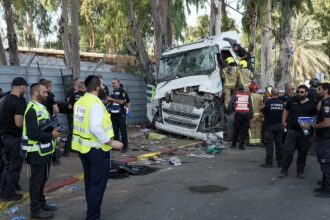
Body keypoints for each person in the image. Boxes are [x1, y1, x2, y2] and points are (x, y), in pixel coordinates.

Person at [72, 75, 123, 220]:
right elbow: (95, 127)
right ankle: (93, 217)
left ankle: (91, 211)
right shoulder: (95, 104)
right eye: (102, 85)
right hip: (96, 150)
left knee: (90, 183)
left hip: (83, 150)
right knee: (97, 185)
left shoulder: (81, 101)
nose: (104, 87)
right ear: (95, 87)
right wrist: (111, 143)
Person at [22, 83, 61, 219]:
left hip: (44, 150)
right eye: (44, 92)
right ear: (36, 93)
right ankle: (35, 210)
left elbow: (43, 127)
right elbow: (32, 134)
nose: (47, 94)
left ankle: (42, 203)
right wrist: (51, 135)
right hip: (35, 152)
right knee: (36, 181)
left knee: (42, 179)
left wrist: (53, 129)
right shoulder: (31, 109)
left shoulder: (41, 107)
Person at [279, 85, 317, 178]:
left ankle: (300, 171)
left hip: (305, 132)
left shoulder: (312, 103)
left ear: (306, 93)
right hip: (292, 130)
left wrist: (311, 126)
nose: (299, 93)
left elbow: (315, 116)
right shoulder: (292, 100)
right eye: (298, 92)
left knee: (303, 152)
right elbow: (286, 110)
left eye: (302, 92)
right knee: (288, 151)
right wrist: (283, 121)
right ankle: (284, 170)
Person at [0, 77, 27, 201]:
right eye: (24, 87)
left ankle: (3, 190)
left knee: (8, 166)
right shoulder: (18, 102)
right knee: (14, 167)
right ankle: (9, 194)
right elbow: (18, 123)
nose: (25, 89)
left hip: (4, 137)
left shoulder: (3, 99)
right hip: (14, 138)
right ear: (21, 86)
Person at [311, 83, 330, 197]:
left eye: (320, 89)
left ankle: (328, 190)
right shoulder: (323, 103)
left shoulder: (327, 104)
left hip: (326, 138)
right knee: (325, 162)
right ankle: (325, 185)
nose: (318, 91)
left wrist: (314, 126)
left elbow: (327, 122)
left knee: (325, 162)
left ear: (326, 90)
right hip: (323, 137)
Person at [260, 88, 284, 168]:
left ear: (271, 94)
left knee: (269, 146)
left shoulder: (268, 103)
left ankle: (269, 163)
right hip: (280, 126)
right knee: (279, 145)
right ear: (278, 94)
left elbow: (262, 111)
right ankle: (280, 163)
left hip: (269, 126)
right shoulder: (282, 103)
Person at [63, 82, 86, 156]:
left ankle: (66, 152)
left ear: (78, 87)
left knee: (72, 133)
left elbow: (69, 106)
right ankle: (81, 151)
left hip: (74, 116)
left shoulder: (73, 94)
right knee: (82, 133)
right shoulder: (86, 96)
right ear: (83, 88)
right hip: (83, 117)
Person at [108, 78, 130, 153]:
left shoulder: (122, 92)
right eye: (112, 83)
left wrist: (111, 99)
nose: (113, 84)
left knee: (123, 131)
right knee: (115, 131)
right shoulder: (113, 92)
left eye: (114, 83)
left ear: (118, 83)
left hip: (120, 115)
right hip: (113, 115)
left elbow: (122, 101)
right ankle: (116, 146)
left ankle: (125, 146)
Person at [228, 85, 254, 150]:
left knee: (236, 129)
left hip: (238, 114)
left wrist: (232, 112)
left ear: (238, 89)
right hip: (246, 115)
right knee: (244, 131)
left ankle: (233, 144)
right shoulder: (248, 96)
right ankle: (241, 146)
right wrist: (251, 115)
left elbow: (230, 104)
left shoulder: (235, 95)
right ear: (243, 89)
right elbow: (250, 106)